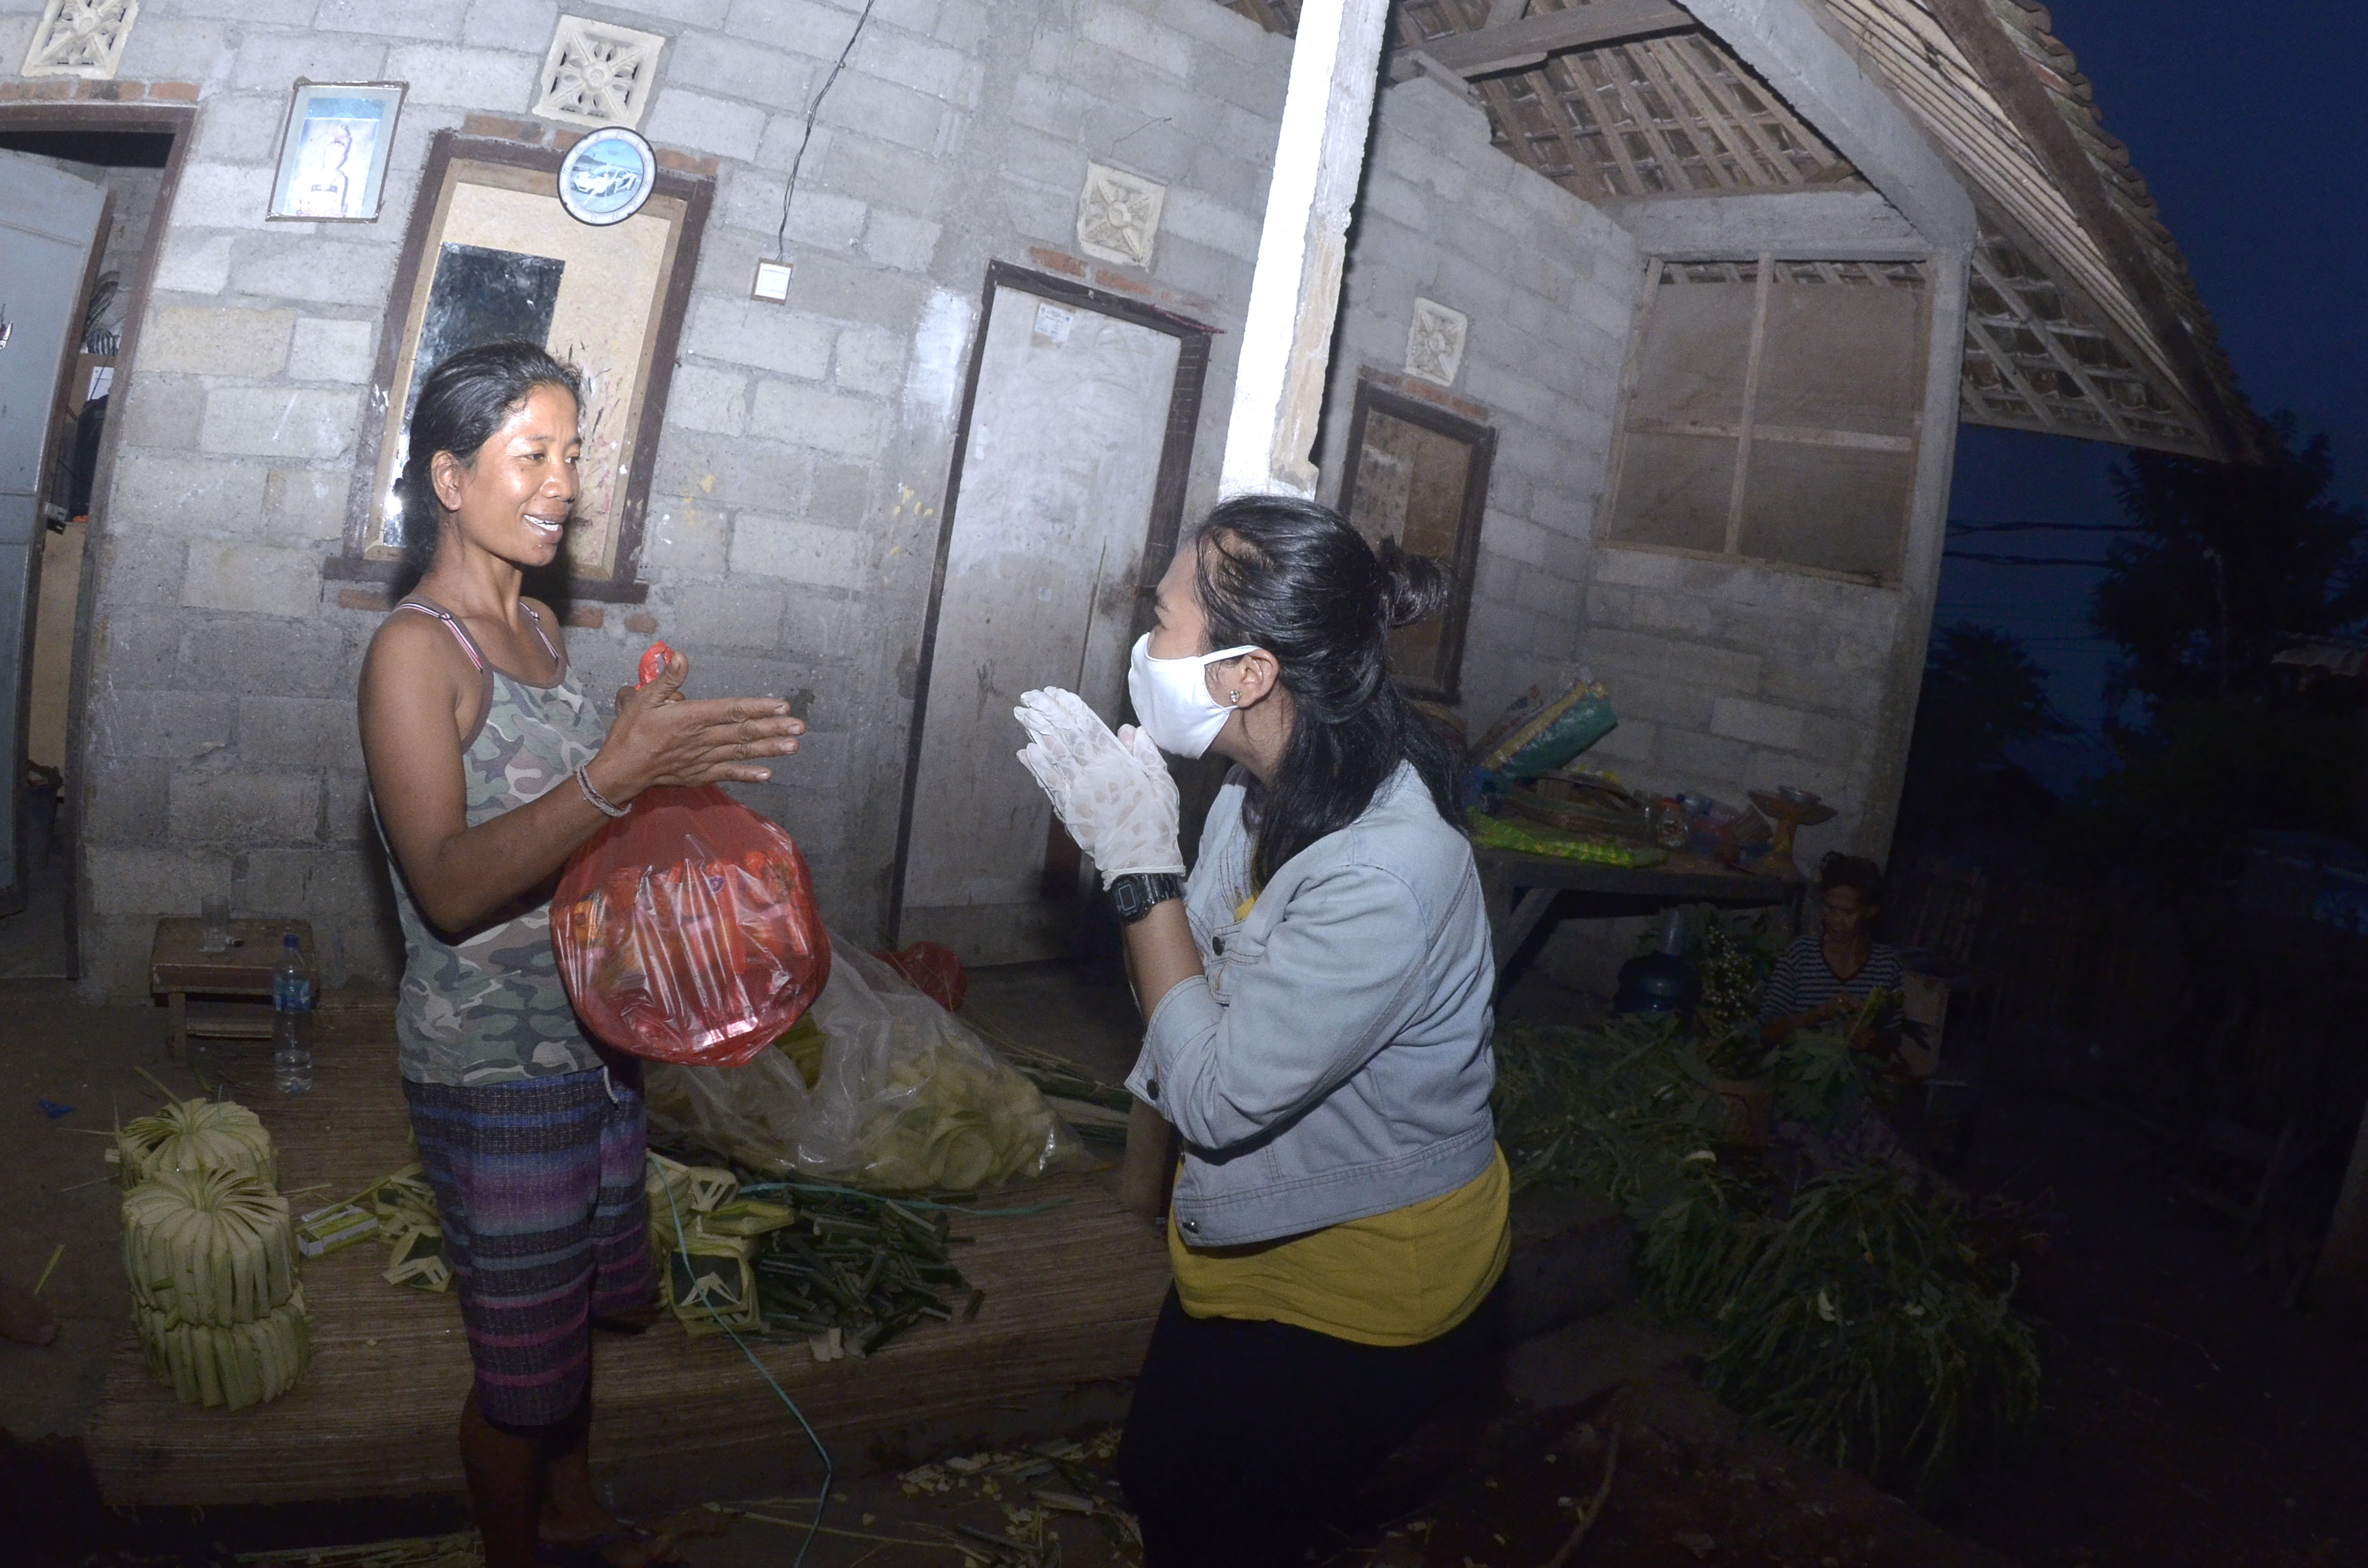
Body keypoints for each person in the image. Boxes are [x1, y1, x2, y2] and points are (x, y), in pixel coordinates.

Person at [359, 341, 803, 1568]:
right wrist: (618, 775)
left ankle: (577, 1515)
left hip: (596, 1049)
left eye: (573, 454)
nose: (564, 483)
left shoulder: (543, 627)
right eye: (533, 455)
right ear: (451, 478)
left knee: (568, 1329)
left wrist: (644, 751)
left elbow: (572, 816)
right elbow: (448, 885)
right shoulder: (415, 652)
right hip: (494, 1071)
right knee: (519, 1377)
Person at [1013, 495, 1505, 1567]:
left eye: (1165, 621)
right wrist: (1147, 869)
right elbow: (1191, 974)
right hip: (1250, 1227)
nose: (1144, 645)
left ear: (1244, 675)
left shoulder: (1386, 870)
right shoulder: (1258, 791)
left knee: (1229, 1532)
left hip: (1364, 1269)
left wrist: (1140, 870)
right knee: (1159, 1479)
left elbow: (1214, 1095)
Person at [1759, 851, 1907, 1045]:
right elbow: (1768, 1031)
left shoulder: (1886, 966)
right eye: (1829, 908)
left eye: (1848, 912)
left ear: (1871, 912)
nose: (1837, 920)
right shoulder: (1801, 955)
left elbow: (1895, 1042)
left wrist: (1870, 1039)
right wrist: (1819, 1014)